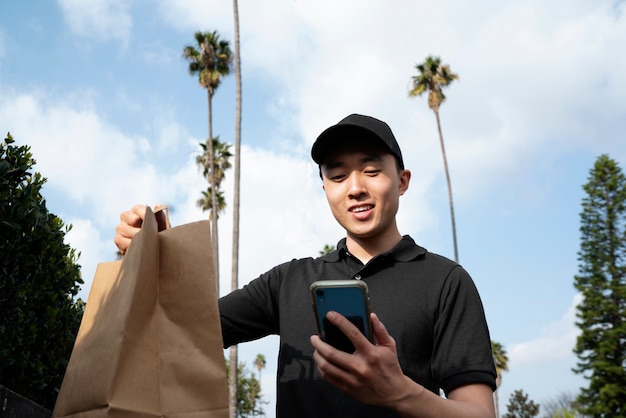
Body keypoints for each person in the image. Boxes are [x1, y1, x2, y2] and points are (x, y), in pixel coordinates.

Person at [115, 114, 497, 418]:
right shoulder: (289, 280)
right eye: (337, 175)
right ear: (325, 189)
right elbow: (181, 331)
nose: (355, 187)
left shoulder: (446, 281)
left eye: (371, 170)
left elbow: (479, 413)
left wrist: (401, 393)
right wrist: (149, 254)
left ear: (402, 181)